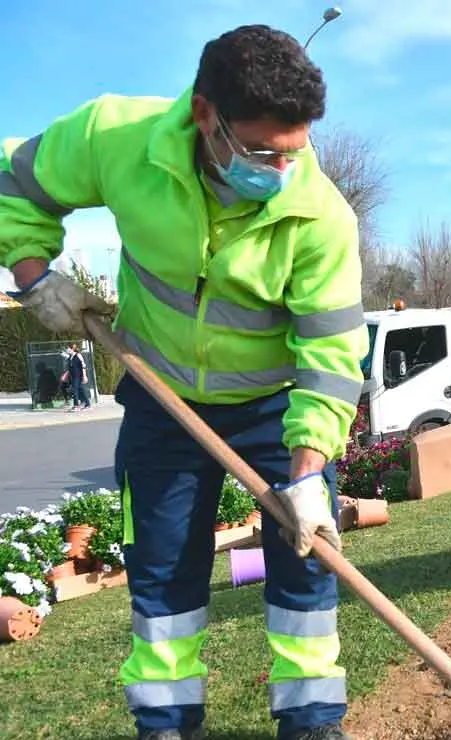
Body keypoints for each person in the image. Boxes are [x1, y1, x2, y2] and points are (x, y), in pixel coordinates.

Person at [1, 25, 367, 740]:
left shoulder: (320, 216)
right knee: (162, 566)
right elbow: (15, 180)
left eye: (294, 152)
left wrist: (306, 475)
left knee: (307, 560)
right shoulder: (116, 137)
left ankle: (313, 721)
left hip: (274, 407)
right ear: (205, 116)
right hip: (161, 395)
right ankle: (167, 723)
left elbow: (330, 355)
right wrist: (33, 273)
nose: (281, 171)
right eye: (262, 152)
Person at [65, 343, 91, 411]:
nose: (67, 350)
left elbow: (83, 365)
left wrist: (85, 376)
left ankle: (76, 406)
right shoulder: (70, 357)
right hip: (73, 376)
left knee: (75, 390)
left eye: (67, 348)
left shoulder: (78, 355)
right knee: (81, 390)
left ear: (72, 349)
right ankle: (87, 404)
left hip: (78, 376)